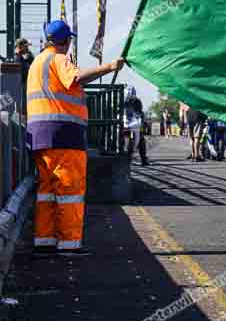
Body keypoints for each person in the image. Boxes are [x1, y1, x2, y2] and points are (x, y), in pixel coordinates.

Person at [27, 20, 124, 256]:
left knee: (47, 192)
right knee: (70, 191)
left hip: (40, 136)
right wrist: (110, 66)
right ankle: (69, 244)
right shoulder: (59, 59)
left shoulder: (38, 62)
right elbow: (78, 77)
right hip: (64, 135)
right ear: (66, 40)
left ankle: (44, 242)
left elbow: (70, 82)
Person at [122, 87, 149, 166]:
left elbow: (140, 112)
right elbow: (119, 110)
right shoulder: (122, 101)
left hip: (134, 122)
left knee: (142, 140)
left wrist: (143, 121)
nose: (130, 96)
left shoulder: (137, 101)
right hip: (125, 122)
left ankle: (144, 159)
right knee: (119, 135)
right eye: (129, 94)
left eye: (132, 94)